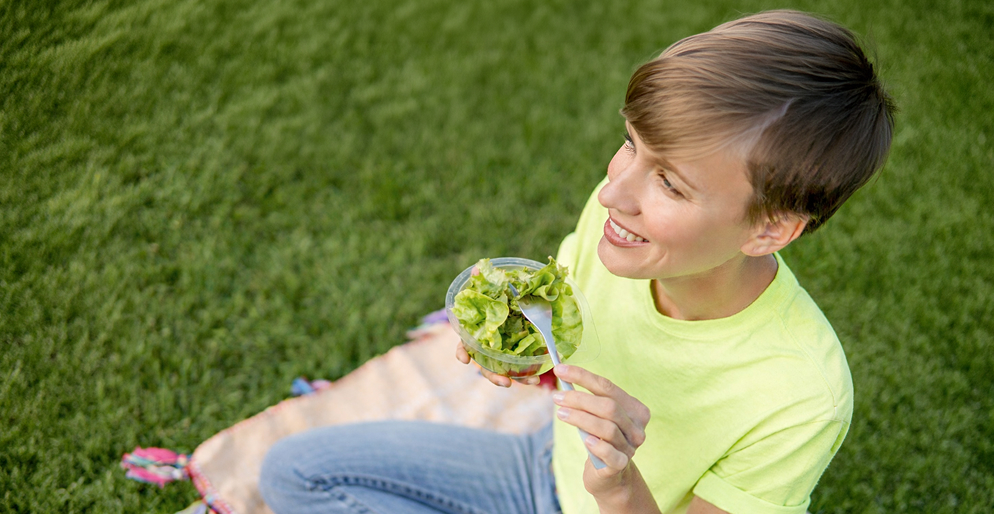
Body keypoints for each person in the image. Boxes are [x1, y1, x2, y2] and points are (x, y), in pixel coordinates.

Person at [259, 9, 895, 514]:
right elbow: (564, 334)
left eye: (670, 184)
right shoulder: (620, 227)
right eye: (630, 144)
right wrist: (519, 356)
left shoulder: (800, 395)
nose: (614, 192)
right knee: (293, 473)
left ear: (769, 229)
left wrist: (617, 483)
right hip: (542, 464)